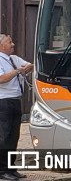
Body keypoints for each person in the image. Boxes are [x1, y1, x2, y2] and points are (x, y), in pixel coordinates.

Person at [0, 34, 32, 180]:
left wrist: (26, 68)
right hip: (3, 101)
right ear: (1, 46)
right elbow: (2, 79)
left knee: (14, 136)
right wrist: (18, 71)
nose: (13, 44)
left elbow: (29, 65)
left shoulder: (14, 59)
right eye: (9, 42)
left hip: (16, 100)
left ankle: (11, 168)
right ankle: (2, 170)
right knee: (4, 136)